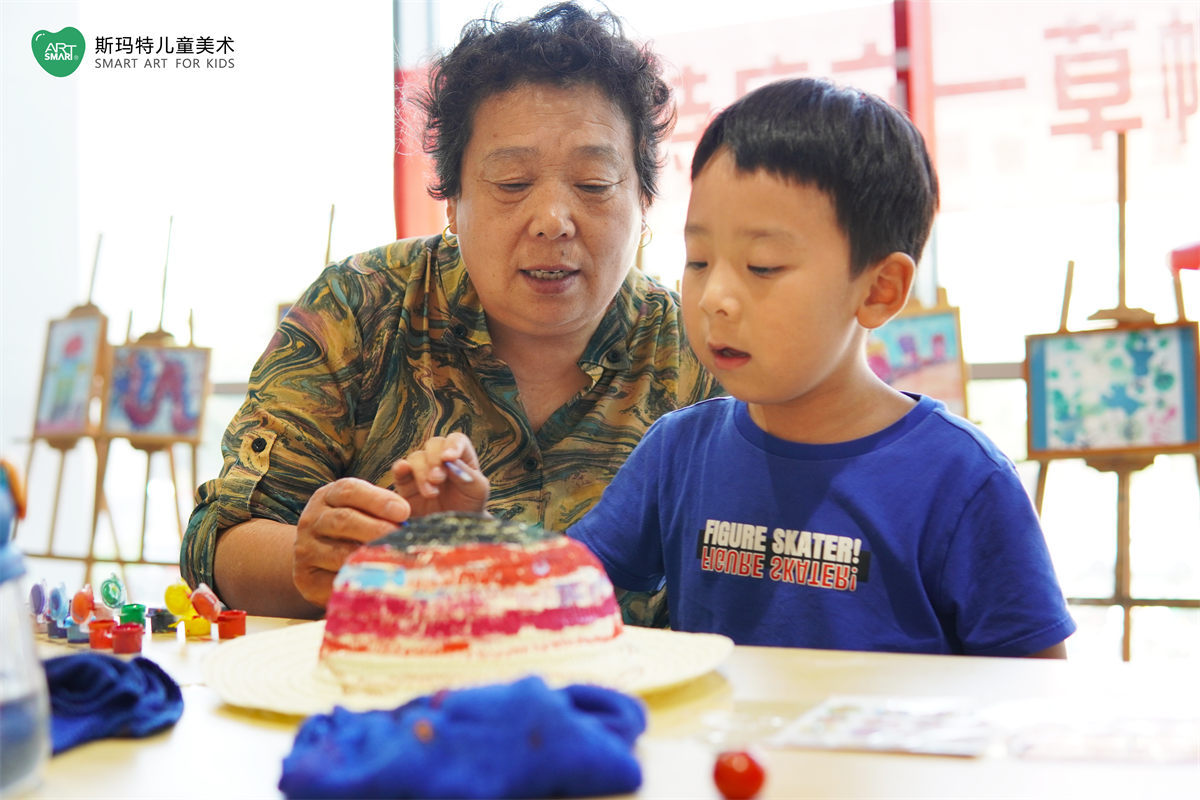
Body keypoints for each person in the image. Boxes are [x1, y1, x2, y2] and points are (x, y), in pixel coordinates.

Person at [396, 77, 1077, 658]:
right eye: (698, 261)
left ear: (878, 290)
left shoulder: (961, 482)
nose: (715, 297)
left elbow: (1035, 692)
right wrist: (463, 531)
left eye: (763, 267)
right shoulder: (679, 452)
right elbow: (561, 586)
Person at [180, 2, 721, 620]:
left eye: (594, 184)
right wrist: (336, 563)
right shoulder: (360, 308)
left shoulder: (701, 347)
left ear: (644, 201)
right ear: (452, 200)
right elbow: (218, 545)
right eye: (512, 183)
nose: (552, 221)